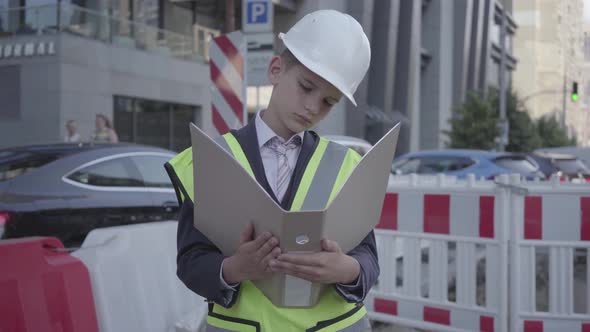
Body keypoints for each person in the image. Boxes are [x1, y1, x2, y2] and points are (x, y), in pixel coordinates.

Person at [165, 10, 377, 331]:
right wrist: (236, 268)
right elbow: (191, 261)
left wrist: (348, 269)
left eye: (328, 102)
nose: (312, 107)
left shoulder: (347, 166)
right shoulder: (210, 161)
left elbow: (369, 258)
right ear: (276, 69)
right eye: (306, 87)